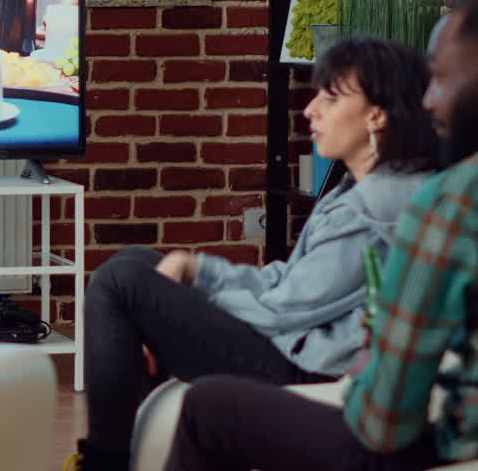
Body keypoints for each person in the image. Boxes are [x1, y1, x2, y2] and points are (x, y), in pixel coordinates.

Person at [71, 36, 439, 471]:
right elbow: (290, 281)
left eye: (331, 98)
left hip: (303, 363)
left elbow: (286, 307)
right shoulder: (360, 186)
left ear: (376, 115)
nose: (310, 110)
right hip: (294, 340)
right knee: (134, 262)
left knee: (123, 283)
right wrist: (194, 270)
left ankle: (103, 463)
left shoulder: (376, 207)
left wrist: (179, 303)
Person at [163, 0, 478, 471]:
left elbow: (383, 422)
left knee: (206, 408)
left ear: (377, 115)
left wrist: (198, 281)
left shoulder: (449, 205)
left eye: (442, 75)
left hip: (439, 433)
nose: (431, 98)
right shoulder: (371, 191)